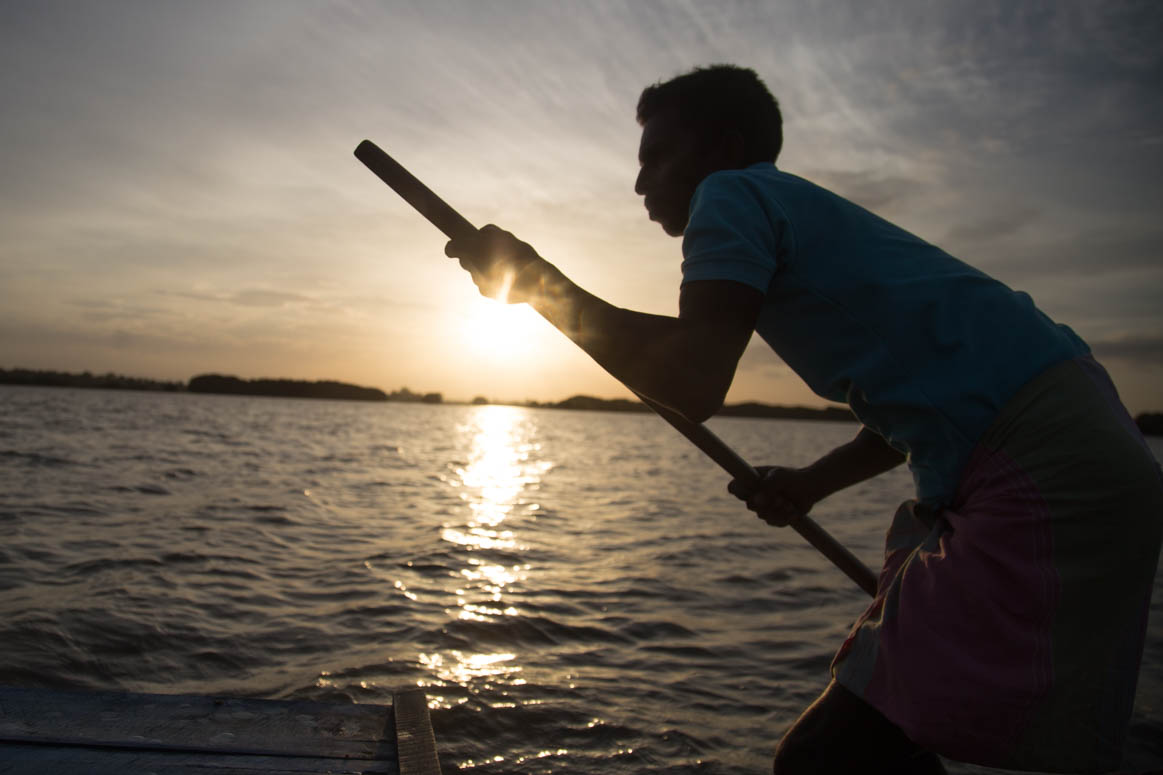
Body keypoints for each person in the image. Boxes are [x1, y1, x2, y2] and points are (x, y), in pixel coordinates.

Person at [444, 64, 1163, 773]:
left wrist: (537, 283)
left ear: (722, 149)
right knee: (884, 740)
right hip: (1084, 443)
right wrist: (814, 480)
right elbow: (925, 396)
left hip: (1046, 467)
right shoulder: (792, 210)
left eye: (657, 156)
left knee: (823, 760)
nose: (640, 183)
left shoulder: (727, 195)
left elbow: (691, 380)